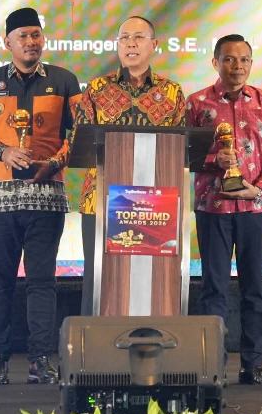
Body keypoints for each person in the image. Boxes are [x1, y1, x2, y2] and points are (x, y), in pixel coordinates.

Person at [0, 7, 81, 385]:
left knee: (42, 282)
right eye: (23, 36)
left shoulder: (64, 81)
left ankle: (40, 360)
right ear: (8, 42)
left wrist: (55, 162)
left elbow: (79, 133)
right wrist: (2, 152)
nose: (31, 42)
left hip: (46, 196)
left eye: (36, 35)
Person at [187, 34, 262, 385]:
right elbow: (185, 154)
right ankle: (213, 366)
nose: (237, 66)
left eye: (244, 59)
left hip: (255, 208)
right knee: (214, 288)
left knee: (254, 289)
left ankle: (253, 365)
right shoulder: (197, 103)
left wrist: (258, 187)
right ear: (215, 63)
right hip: (212, 206)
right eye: (230, 59)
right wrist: (214, 159)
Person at [74, 16, 185, 314]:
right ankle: (94, 343)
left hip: (155, 206)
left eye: (138, 37)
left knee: (154, 283)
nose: (131, 44)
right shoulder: (97, 89)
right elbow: (80, 141)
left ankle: (151, 340)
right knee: (101, 282)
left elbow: (182, 150)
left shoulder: (172, 92)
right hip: (101, 202)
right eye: (124, 38)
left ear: (154, 45)